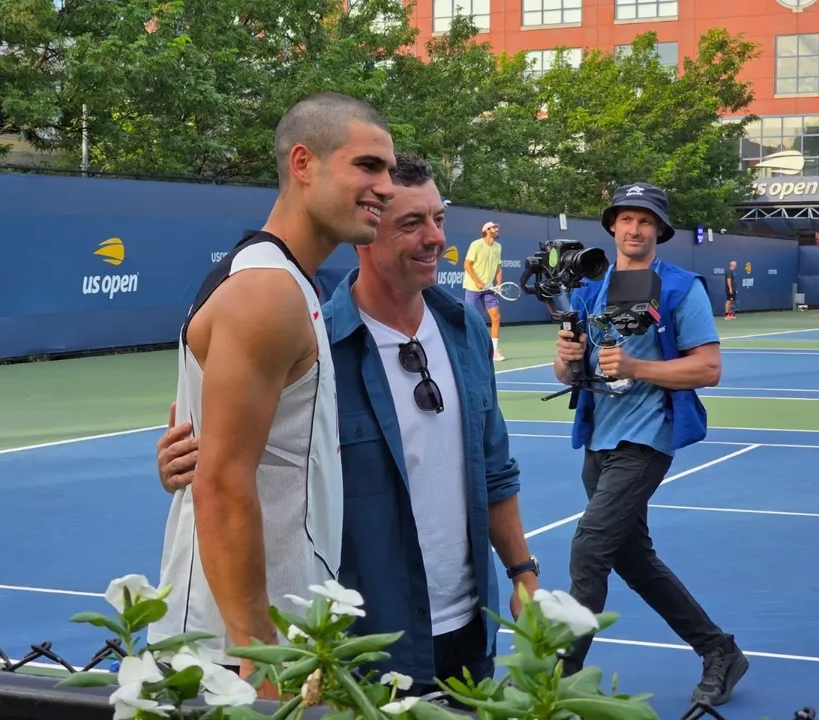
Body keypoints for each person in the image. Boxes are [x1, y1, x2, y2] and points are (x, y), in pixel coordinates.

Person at [155, 153, 539, 700]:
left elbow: (494, 468)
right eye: (412, 223)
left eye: (438, 219)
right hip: (362, 644)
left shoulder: (467, 330)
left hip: (467, 637)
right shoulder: (314, 345)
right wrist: (182, 463)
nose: (435, 239)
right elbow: (236, 471)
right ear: (366, 231)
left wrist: (522, 569)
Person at [146, 92, 397, 698]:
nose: (385, 186)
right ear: (304, 163)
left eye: (389, 170)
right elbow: (223, 486)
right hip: (232, 655)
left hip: (267, 636)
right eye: (368, 166)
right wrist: (259, 660)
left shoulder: (280, 281)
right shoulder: (267, 291)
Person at [553, 182, 748, 707]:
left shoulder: (682, 288)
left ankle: (556, 684)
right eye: (626, 219)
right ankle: (720, 651)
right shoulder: (591, 288)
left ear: (660, 230)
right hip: (599, 439)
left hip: (647, 438)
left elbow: (708, 368)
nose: (635, 228)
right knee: (633, 560)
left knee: (589, 549)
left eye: (646, 220)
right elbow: (570, 372)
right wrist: (568, 354)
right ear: (612, 226)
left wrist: (637, 367)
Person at [462, 221, 504, 361]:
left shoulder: (498, 247)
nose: (496, 229)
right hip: (473, 288)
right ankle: (470, 349)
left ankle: (493, 351)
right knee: (471, 319)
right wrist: (477, 281)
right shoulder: (476, 244)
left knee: (496, 317)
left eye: (496, 228)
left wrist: (498, 283)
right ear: (486, 230)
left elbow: (498, 267)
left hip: (489, 288)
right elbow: (467, 265)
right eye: (494, 228)